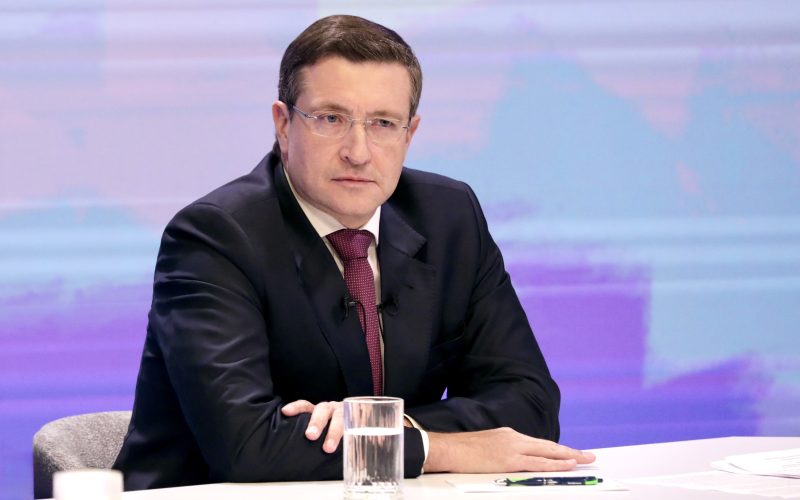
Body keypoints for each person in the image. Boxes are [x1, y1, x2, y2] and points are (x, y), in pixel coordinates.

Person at [113, 14, 595, 490]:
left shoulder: (450, 217)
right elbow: (245, 445)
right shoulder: (215, 236)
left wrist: (384, 425)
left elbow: (530, 403)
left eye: (383, 123)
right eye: (331, 119)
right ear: (283, 124)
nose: (358, 152)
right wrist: (440, 448)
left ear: (410, 134)